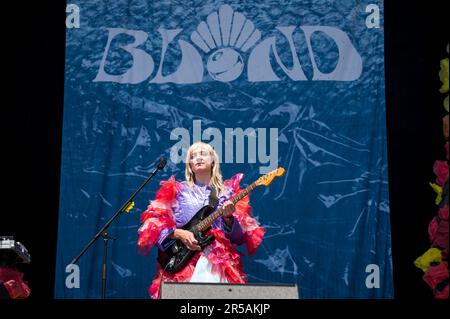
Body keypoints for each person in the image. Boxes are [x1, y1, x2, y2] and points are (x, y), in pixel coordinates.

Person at [137, 141, 265, 299]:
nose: (198, 157)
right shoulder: (177, 191)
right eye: (193, 156)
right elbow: (152, 226)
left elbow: (239, 238)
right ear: (189, 165)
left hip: (217, 263)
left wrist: (228, 219)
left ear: (213, 160)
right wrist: (177, 233)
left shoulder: (229, 192)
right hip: (183, 261)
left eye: (203, 153)